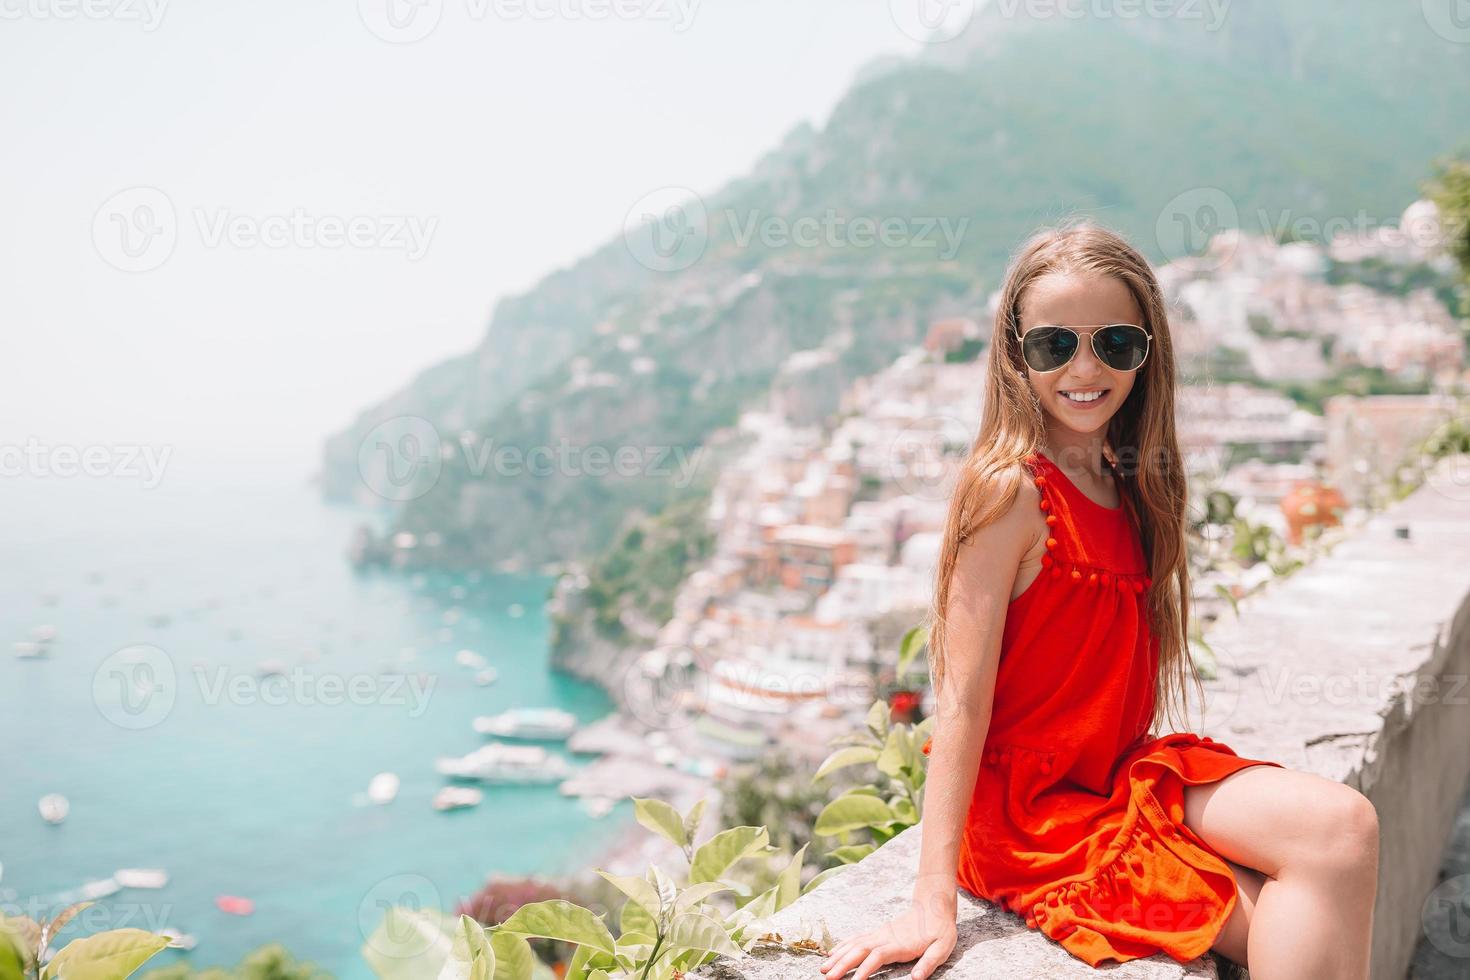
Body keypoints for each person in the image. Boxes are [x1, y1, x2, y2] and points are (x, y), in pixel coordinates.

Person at [818, 225, 1380, 980]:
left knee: (1345, 828)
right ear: (1017, 355)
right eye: (1055, 345)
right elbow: (959, 703)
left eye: (1114, 343)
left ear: (1148, 354)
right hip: (1031, 818)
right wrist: (931, 898)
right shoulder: (1009, 492)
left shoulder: (1132, 485)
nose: (1086, 368)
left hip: (1115, 781)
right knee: (1296, 903)